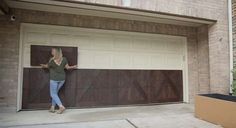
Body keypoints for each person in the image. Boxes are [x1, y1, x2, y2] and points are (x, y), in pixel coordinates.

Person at [40, 48, 77, 114]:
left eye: (53, 51)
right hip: (62, 79)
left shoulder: (51, 60)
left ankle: (61, 106)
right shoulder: (64, 59)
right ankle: (52, 107)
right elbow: (67, 67)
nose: (51, 52)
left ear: (56, 52)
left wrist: (43, 65)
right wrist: (73, 67)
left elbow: (47, 66)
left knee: (53, 94)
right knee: (55, 93)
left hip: (54, 79)